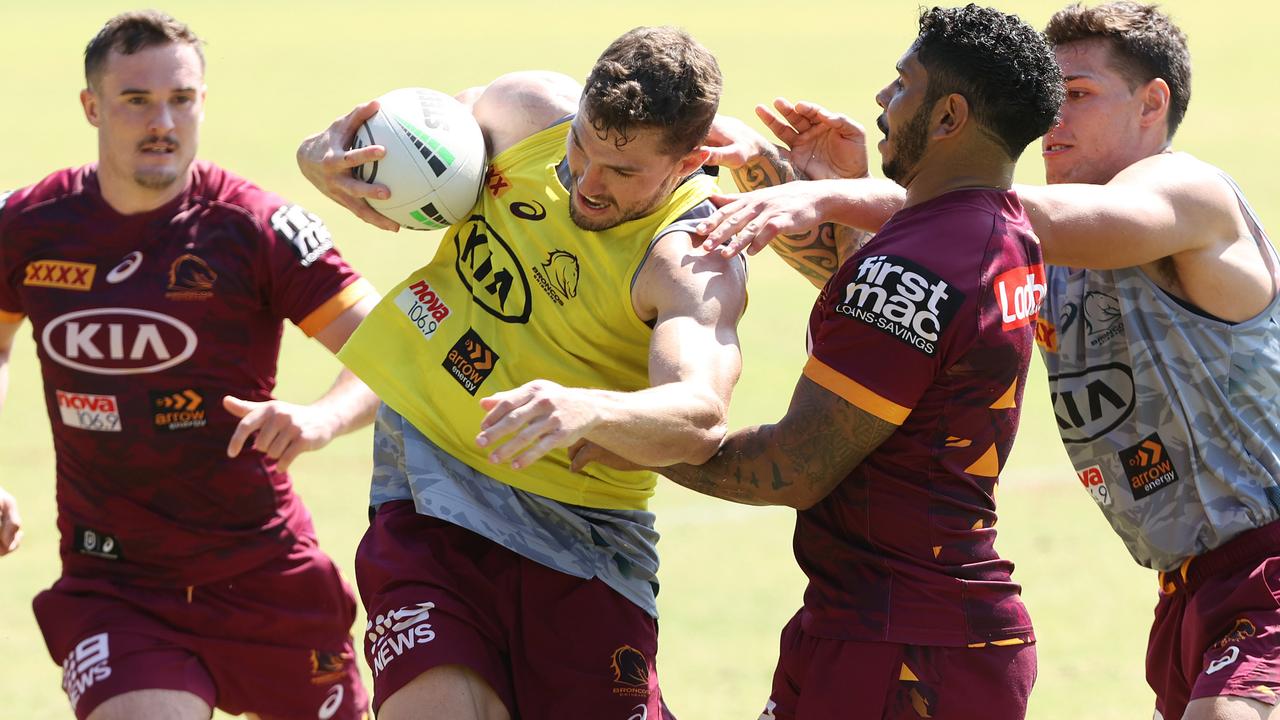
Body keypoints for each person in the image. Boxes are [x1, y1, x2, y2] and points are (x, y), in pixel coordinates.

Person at [694, 3, 1280, 719]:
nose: (1053, 118)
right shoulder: (1029, 252)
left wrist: (833, 192)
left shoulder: (1188, 194)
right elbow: (904, 309)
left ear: (1152, 103)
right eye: (1050, 95)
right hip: (1192, 589)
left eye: (1081, 96)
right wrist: (769, 174)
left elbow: (980, 209)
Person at [573, 6, 1063, 719]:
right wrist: (796, 185)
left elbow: (792, 468)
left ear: (950, 115)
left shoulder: (921, 264)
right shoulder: (999, 229)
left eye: (903, 85)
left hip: (904, 650)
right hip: (890, 625)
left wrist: (626, 431)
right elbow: (879, 319)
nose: (882, 101)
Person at [295, 26, 746, 720]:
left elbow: (701, 414)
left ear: (691, 162)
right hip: (429, 489)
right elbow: (403, 133)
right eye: (583, 150)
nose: (586, 185)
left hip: (582, 539)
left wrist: (586, 410)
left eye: (623, 173)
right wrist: (324, 153)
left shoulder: (689, 259)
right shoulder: (527, 111)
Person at [0, 11, 379, 720]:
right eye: (136, 100)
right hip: (116, 584)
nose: (163, 122)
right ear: (91, 107)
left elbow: (390, 349)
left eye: (182, 99)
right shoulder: (27, 226)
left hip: (264, 574)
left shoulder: (255, 228)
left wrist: (323, 416)